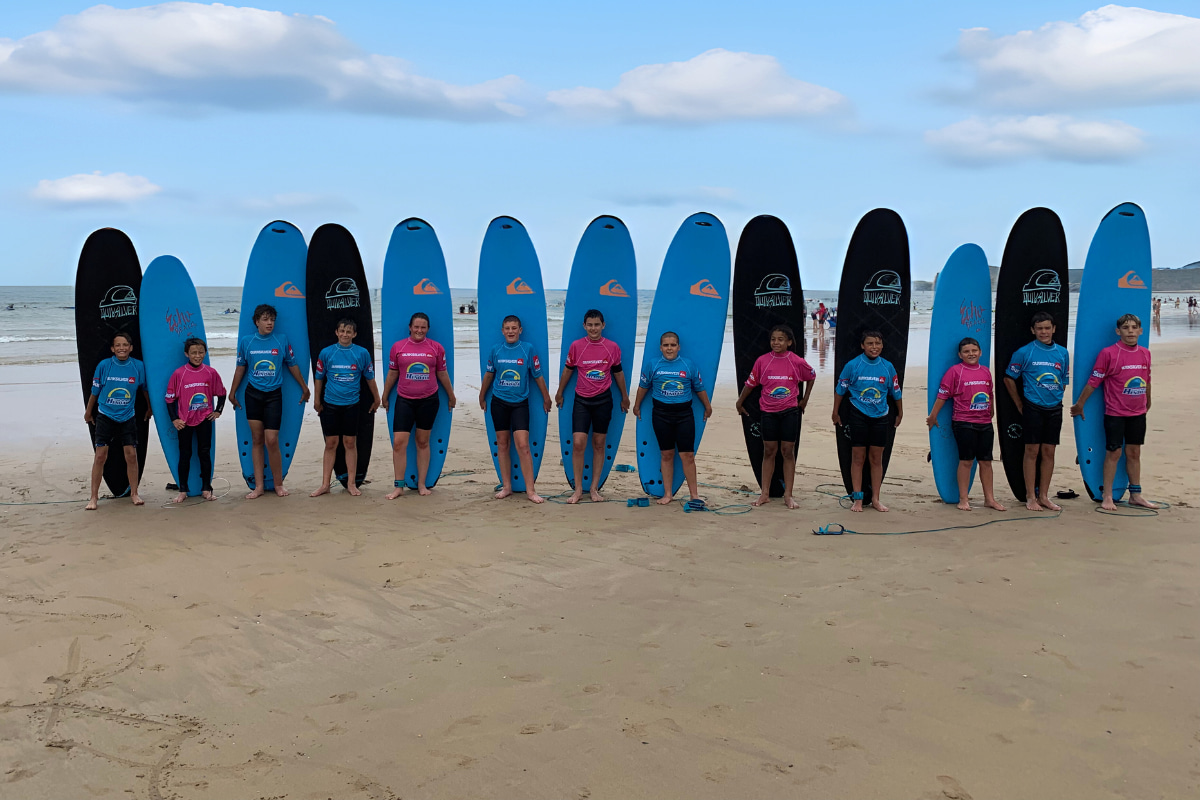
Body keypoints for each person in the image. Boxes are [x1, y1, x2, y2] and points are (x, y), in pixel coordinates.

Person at [1070, 314, 1156, 511]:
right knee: (1114, 452)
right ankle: (1107, 496)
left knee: (1134, 452)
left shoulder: (1145, 353)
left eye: (1134, 327)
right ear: (1118, 331)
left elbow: (1147, 380)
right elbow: (1094, 381)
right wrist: (1080, 404)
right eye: (1126, 328)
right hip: (1115, 413)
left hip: (1137, 413)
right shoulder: (1109, 353)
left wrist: (1148, 401)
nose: (1130, 331)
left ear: (1141, 331)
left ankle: (1135, 494)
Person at [228, 304, 310, 499]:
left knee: (271, 440)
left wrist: (304, 387)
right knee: (257, 439)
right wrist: (232, 392)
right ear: (257, 322)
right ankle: (258, 487)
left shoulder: (281, 340)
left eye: (272, 319)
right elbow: (240, 368)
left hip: (273, 396)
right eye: (265, 319)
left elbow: (292, 364)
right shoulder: (247, 342)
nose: (269, 323)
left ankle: (278, 484)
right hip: (253, 395)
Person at [734, 325, 815, 509]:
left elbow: (811, 376)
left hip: (789, 412)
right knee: (769, 451)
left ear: (789, 342)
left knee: (787, 452)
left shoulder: (796, 361)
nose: (776, 343)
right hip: (768, 412)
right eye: (773, 339)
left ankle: (788, 495)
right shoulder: (762, 361)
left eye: (780, 339)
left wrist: (804, 400)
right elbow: (751, 383)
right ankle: (765, 494)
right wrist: (740, 401)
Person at [555, 309, 630, 503]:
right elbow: (568, 370)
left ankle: (594, 488)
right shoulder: (576, 346)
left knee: (598, 444)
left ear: (603, 325)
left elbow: (618, 373)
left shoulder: (612, 347)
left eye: (597, 325)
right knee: (578, 443)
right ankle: (578, 490)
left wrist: (624, 396)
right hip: (582, 400)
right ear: (584, 326)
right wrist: (560, 392)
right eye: (590, 325)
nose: (593, 328)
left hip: (603, 401)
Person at [478, 315, 552, 503]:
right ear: (502, 331)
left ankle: (531, 491)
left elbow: (538, 375)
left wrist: (546, 397)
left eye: (514, 328)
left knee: (523, 445)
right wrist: (481, 395)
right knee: (502, 444)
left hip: (520, 403)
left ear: (520, 330)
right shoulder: (496, 350)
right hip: (499, 402)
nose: (510, 331)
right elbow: (489, 374)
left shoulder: (527, 349)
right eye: (507, 328)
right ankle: (507, 487)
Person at [381, 312, 456, 498]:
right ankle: (399, 486)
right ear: (410, 327)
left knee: (422, 442)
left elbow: (442, 373)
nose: (419, 330)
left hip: (428, 400)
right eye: (416, 327)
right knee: (399, 443)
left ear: (428, 329)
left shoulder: (436, 348)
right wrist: (385, 394)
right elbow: (393, 372)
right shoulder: (398, 347)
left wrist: (451, 394)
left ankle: (422, 484)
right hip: (404, 400)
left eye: (423, 327)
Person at [927, 337, 1006, 512]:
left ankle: (989, 499)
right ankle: (963, 499)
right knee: (966, 461)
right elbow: (943, 394)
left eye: (974, 350)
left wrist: (991, 410)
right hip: (964, 423)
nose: (971, 354)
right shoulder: (955, 371)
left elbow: (990, 393)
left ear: (980, 352)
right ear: (960, 355)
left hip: (985, 423)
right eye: (966, 351)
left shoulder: (985, 371)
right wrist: (933, 416)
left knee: (986, 462)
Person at [633, 331, 713, 505]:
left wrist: (707, 406)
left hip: (684, 415)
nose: (669, 348)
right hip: (661, 415)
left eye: (673, 345)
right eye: (666, 345)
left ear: (678, 347)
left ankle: (694, 495)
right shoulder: (653, 364)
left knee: (688, 455)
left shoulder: (688, 365)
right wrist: (637, 405)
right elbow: (643, 386)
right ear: (660, 347)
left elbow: (699, 387)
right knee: (667, 454)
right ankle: (668, 494)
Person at [1003, 311, 1069, 511]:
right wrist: (1019, 405)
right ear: (1033, 330)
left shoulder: (1062, 353)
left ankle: (1044, 496)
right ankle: (1030, 496)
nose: (1044, 332)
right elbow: (1008, 378)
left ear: (1054, 329)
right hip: (1033, 407)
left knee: (1049, 452)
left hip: (1055, 408)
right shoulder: (1024, 352)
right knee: (1032, 451)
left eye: (1047, 328)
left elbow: (1063, 380)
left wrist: (1056, 396)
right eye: (1039, 328)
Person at [831, 330, 903, 512]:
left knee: (876, 459)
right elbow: (840, 390)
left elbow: (896, 392)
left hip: (881, 416)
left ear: (882, 345)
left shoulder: (887, 367)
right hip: (858, 415)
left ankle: (876, 499)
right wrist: (835, 412)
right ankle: (858, 499)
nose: (874, 347)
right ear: (863, 346)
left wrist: (900, 412)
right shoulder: (853, 365)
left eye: (877, 343)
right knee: (858, 458)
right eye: (870, 343)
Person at [310, 318, 380, 498]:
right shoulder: (327, 353)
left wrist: (377, 398)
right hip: (330, 404)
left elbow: (369, 378)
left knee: (350, 443)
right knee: (331, 443)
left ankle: (351, 483)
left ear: (354, 334)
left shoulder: (361, 353)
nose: (345, 334)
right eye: (342, 331)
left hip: (352, 404)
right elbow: (319, 378)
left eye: (349, 332)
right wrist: (317, 400)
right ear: (336, 332)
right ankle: (325, 484)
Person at [84, 331, 152, 510]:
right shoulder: (104, 365)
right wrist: (88, 412)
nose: (122, 348)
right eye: (118, 345)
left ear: (131, 348)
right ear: (112, 349)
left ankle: (134, 493)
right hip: (105, 415)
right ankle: (93, 498)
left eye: (125, 345)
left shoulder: (138, 366)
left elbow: (144, 389)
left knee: (131, 455)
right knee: (100, 456)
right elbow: (95, 391)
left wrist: (149, 407)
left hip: (128, 416)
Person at [165, 337, 226, 503]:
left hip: (204, 419)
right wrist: (174, 419)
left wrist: (218, 411)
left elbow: (221, 393)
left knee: (204, 453)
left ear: (205, 353)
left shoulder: (210, 372)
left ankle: (206, 488)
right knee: (185, 455)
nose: (197, 356)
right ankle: (183, 490)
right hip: (184, 421)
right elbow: (169, 399)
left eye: (201, 352)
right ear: (187, 354)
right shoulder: (179, 374)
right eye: (193, 353)